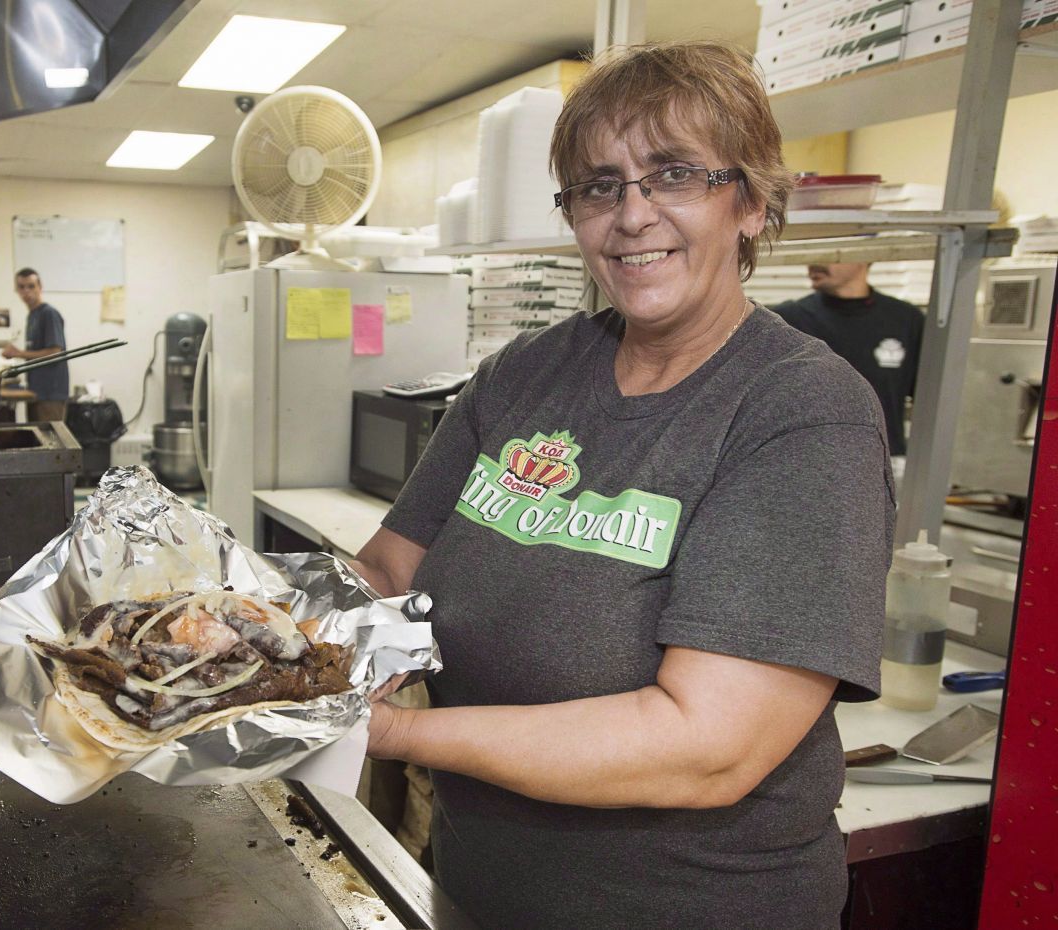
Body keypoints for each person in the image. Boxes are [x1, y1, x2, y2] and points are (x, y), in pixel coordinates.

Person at [351, 42, 894, 930]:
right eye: (599, 186)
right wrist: (271, 648)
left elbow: (705, 747)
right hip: (482, 892)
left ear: (751, 202)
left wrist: (398, 735)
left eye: (674, 175)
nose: (632, 215)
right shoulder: (525, 373)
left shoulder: (802, 411)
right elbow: (387, 568)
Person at [773, 262, 924, 455]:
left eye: (831, 254)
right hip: (808, 462)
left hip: (882, 464)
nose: (815, 262)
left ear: (865, 257)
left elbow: (930, 404)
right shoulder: (788, 320)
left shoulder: (906, 320)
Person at [2, 267, 69, 422]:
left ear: (40, 287)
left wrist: (18, 353)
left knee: (51, 442)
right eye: (21, 287)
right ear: (17, 290)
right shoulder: (32, 316)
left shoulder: (49, 313)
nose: (27, 291)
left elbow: (55, 352)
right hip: (35, 391)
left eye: (31, 286)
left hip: (50, 393)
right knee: (37, 440)